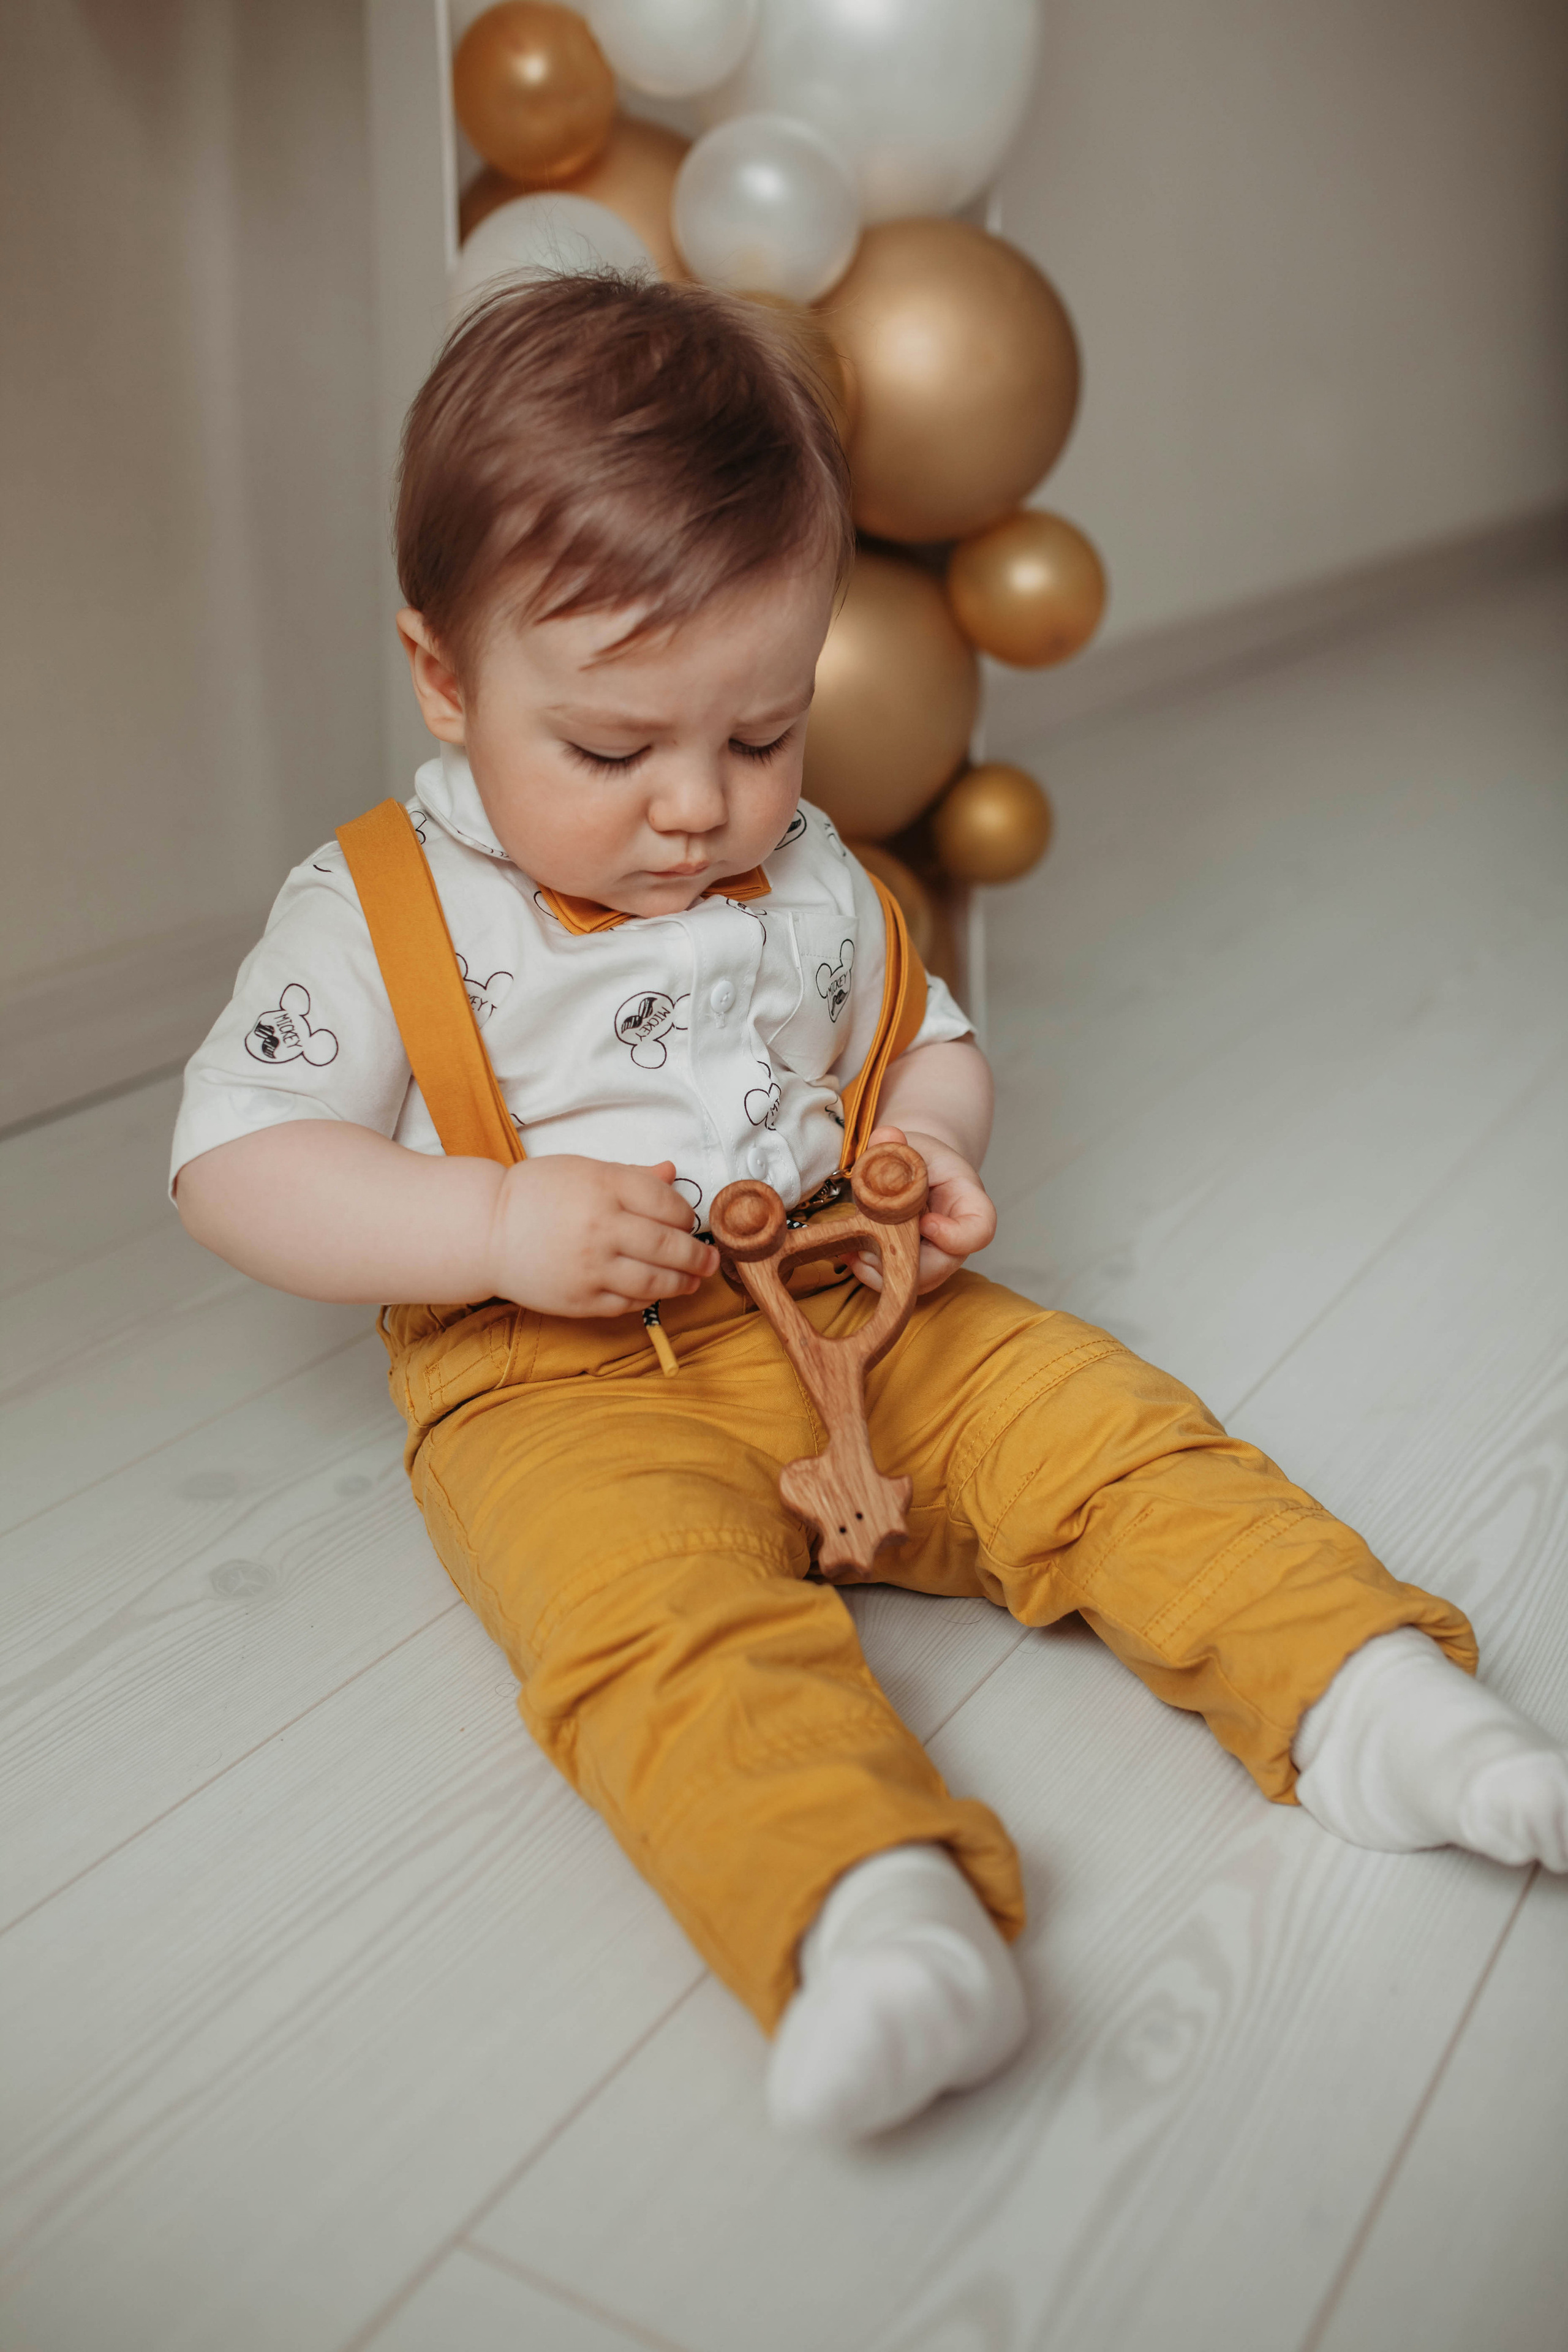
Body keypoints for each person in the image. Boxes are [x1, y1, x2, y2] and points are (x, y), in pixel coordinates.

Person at [172, 274, 1568, 2143]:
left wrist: (936, 1144)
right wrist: (489, 1229)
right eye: (611, 751)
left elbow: (924, 1043)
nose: (696, 807)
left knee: (1116, 1439)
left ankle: (1370, 1695)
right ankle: (871, 1907)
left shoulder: (812, 875)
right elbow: (240, 1163)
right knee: (654, 1638)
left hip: (856, 1303)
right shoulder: (372, 913)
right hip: (551, 1388)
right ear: (444, 677)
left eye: (761, 734)